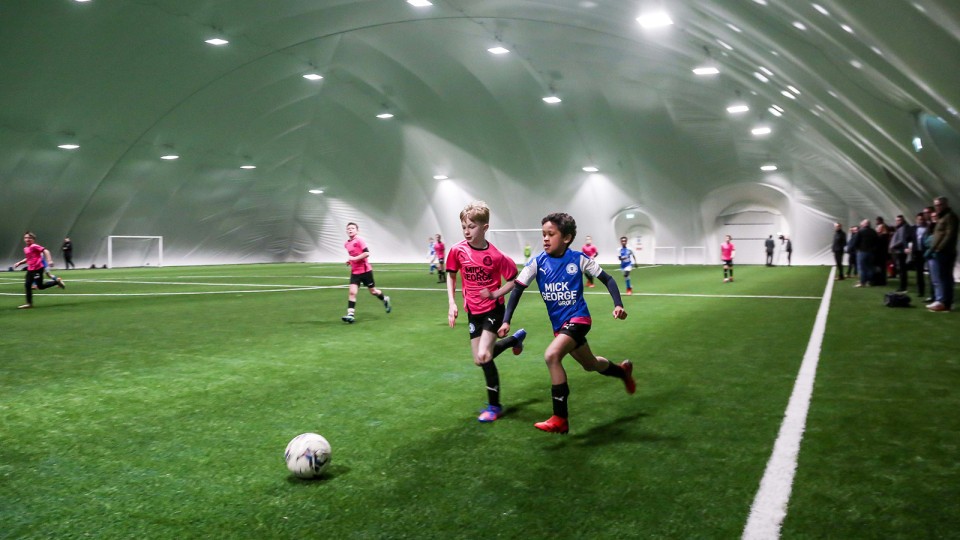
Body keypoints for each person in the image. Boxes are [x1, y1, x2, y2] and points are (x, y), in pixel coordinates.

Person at [499, 212, 634, 435]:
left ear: (567, 238)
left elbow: (608, 279)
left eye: (550, 234)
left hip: (579, 319)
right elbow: (518, 288)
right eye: (543, 234)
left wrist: (618, 304)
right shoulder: (536, 263)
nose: (545, 239)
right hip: (560, 326)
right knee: (590, 364)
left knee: (552, 355)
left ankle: (560, 418)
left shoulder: (579, 259)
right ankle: (622, 372)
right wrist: (506, 320)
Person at [445, 201, 527, 423]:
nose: (466, 231)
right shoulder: (457, 250)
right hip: (473, 311)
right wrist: (452, 303)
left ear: (485, 227)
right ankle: (513, 341)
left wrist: (494, 294)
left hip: (493, 309)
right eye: (464, 226)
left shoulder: (497, 256)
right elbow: (451, 275)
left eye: (471, 226)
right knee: (479, 359)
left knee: (484, 354)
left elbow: (513, 281)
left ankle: (494, 406)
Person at [341, 222, 391, 323]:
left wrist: (354, 259)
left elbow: (366, 253)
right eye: (348, 228)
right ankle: (350, 314)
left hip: (365, 271)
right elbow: (353, 255)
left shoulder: (360, 241)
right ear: (346, 231)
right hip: (355, 272)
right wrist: (350, 261)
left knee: (373, 291)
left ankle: (385, 298)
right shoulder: (346, 244)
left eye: (352, 228)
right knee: (352, 292)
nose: (350, 230)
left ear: (357, 230)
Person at [13, 232, 64, 309]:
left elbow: (46, 251)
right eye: (26, 238)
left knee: (40, 286)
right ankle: (29, 304)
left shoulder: (34, 246)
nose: (27, 239)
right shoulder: (26, 248)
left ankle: (57, 281)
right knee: (27, 285)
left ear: (33, 239)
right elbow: (28, 258)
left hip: (38, 269)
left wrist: (49, 260)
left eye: (29, 238)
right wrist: (19, 263)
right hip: (30, 269)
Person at [927, 196, 958, 312]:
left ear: (945, 204)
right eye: (936, 205)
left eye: (939, 205)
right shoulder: (942, 217)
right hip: (940, 251)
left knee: (944, 278)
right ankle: (942, 301)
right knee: (942, 277)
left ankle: (945, 302)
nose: (937, 207)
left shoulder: (950, 216)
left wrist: (939, 248)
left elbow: (949, 235)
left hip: (945, 252)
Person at [853, 219, 878, 288]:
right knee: (870, 268)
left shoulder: (860, 231)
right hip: (871, 253)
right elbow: (877, 242)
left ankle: (862, 282)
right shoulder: (873, 232)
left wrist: (857, 249)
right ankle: (869, 282)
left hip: (862, 252)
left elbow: (856, 242)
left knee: (862, 268)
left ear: (864, 224)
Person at [888, 214, 911, 293]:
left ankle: (903, 286)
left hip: (900, 251)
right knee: (901, 269)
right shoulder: (901, 228)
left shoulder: (903, 228)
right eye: (896, 220)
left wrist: (893, 246)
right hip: (899, 251)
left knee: (902, 269)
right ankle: (902, 286)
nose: (897, 222)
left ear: (902, 220)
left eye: (899, 220)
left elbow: (902, 240)